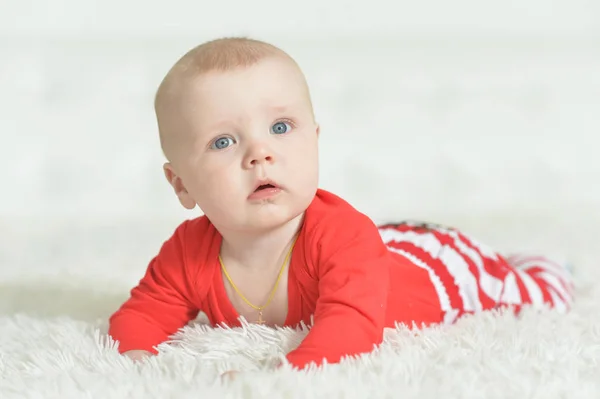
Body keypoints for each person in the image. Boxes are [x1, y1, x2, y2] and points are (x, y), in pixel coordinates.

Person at [108, 37, 574, 371]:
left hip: (436, 268)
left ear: (315, 141)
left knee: (527, 290)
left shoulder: (343, 237)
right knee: (378, 246)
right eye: (224, 141)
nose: (260, 153)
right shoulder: (188, 252)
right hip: (380, 245)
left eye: (281, 127)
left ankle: (548, 265)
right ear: (181, 184)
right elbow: (142, 314)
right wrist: (137, 361)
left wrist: (282, 376)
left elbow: (351, 327)